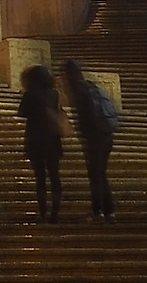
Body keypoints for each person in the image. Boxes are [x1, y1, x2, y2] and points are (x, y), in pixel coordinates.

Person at [60, 59, 119, 221]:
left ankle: (98, 210)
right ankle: (109, 211)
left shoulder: (78, 89)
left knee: (95, 174)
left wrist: (83, 134)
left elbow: (84, 115)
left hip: (95, 136)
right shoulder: (92, 85)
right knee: (101, 173)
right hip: (107, 133)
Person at [19, 64, 66, 221]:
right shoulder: (54, 94)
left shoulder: (30, 94)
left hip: (35, 140)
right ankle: (55, 212)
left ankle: (43, 212)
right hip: (52, 139)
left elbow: (22, 113)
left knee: (40, 178)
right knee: (54, 176)